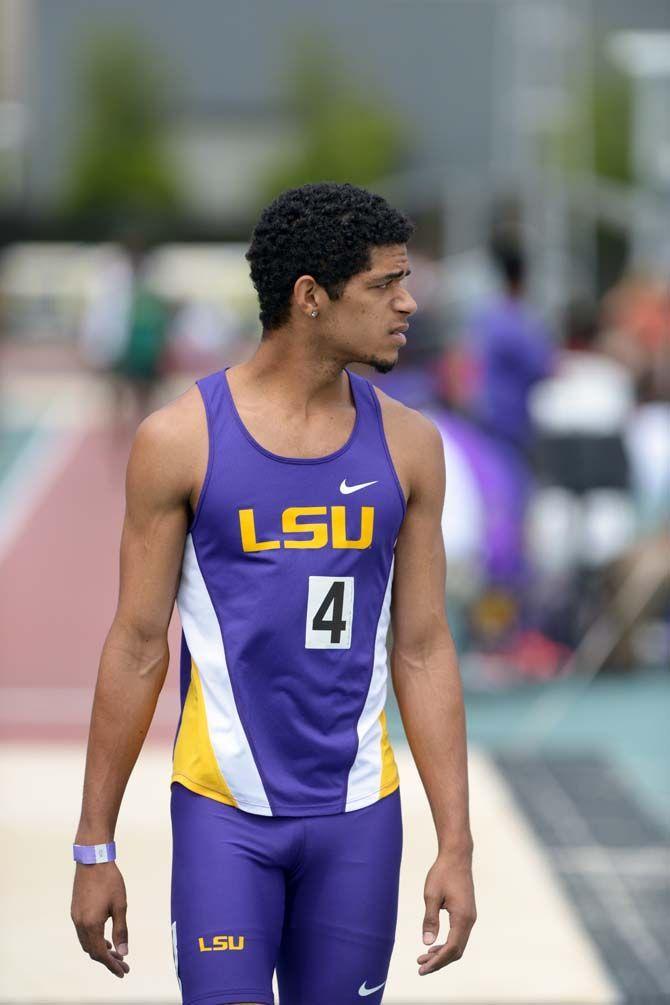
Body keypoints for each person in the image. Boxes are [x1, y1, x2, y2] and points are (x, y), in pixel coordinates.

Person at [70, 182, 476, 1004]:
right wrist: (94, 846)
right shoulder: (179, 441)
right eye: (385, 284)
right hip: (224, 816)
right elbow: (139, 644)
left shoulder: (411, 446)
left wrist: (456, 844)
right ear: (311, 298)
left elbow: (424, 648)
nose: (409, 301)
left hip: (360, 817)